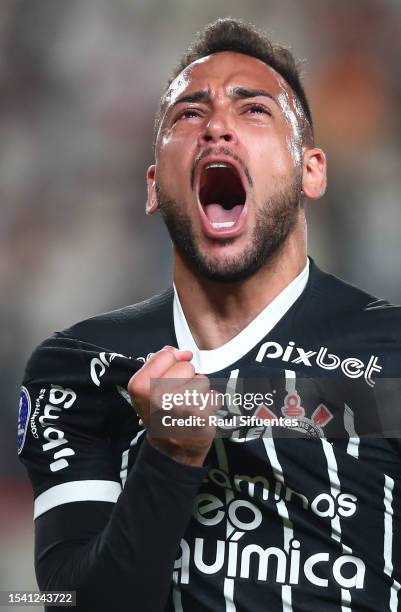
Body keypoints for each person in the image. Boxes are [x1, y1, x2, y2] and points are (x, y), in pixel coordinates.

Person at [17, 17, 401, 612]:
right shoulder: (79, 370)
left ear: (311, 171)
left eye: (253, 111)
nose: (217, 126)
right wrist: (169, 458)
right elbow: (71, 601)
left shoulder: (392, 353)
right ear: (152, 187)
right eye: (188, 115)